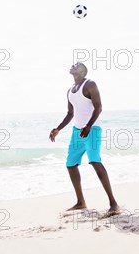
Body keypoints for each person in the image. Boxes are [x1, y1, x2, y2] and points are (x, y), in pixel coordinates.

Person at [49, 62, 120, 215]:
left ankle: (113, 203)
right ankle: (81, 202)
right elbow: (70, 113)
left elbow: (99, 107)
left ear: (82, 70)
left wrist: (88, 126)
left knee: (95, 161)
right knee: (70, 164)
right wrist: (58, 129)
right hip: (77, 132)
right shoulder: (70, 90)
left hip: (92, 130)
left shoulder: (90, 85)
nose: (72, 66)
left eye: (76, 65)